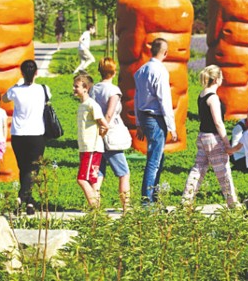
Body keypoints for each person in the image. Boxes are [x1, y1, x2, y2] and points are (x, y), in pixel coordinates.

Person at [181, 65, 238, 209]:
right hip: (213, 139)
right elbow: (218, 122)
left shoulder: (202, 94)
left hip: (202, 136)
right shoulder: (213, 98)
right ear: (217, 79)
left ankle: (186, 200)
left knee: (198, 168)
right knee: (223, 172)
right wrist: (226, 143)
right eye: (221, 77)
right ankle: (233, 204)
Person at [134, 38, 177, 204]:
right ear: (165, 53)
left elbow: (137, 98)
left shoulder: (141, 70)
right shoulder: (160, 71)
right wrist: (172, 126)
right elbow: (164, 100)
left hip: (144, 116)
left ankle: (154, 196)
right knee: (154, 160)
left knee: (157, 158)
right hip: (156, 118)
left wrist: (138, 123)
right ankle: (147, 201)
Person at [5, 59, 48, 215]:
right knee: (33, 168)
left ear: (22, 73)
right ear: (36, 72)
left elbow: (4, 98)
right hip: (36, 134)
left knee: (23, 168)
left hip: (18, 134)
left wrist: (16, 84)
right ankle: (24, 198)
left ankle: (27, 202)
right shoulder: (44, 89)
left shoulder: (15, 91)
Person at [90, 57, 131, 210]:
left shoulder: (94, 89)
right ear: (114, 72)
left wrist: (98, 131)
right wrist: (104, 129)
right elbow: (109, 114)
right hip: (109, 134)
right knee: (124, 173)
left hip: (96, 134)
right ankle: (126, 207)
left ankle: (95, 207)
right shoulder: (114, 91)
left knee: (99, 174)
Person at [74, 73, 109, 208]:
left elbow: (104, 123)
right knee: (93, 180)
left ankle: (94, 207)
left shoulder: (91, 105)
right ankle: (97, 213)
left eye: (76, 86)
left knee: (82, 179)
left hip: (92, 148)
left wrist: (102, 132)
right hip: (84, 147)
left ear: (85, 88)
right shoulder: (82, 105)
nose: (74, 89)